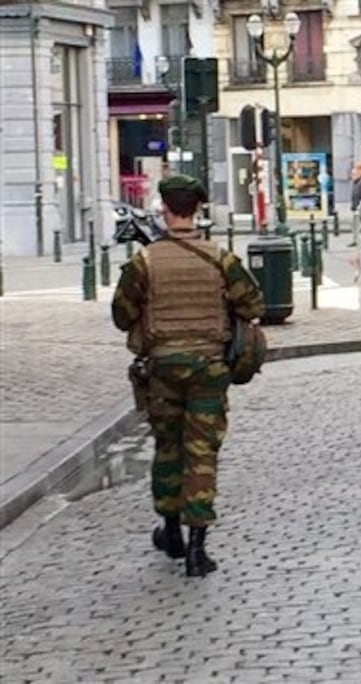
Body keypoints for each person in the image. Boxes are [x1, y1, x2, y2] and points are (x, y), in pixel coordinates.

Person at [111, 175, 266, 578]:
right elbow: (253, 304)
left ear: (164, 209)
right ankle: (198, 548)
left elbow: (121, 315)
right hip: (209, 368)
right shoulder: (220, 258)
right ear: (196, 210)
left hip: (162, 367)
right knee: (201, 451)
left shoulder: (144, 262)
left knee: (168, 447)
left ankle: (171, 531)